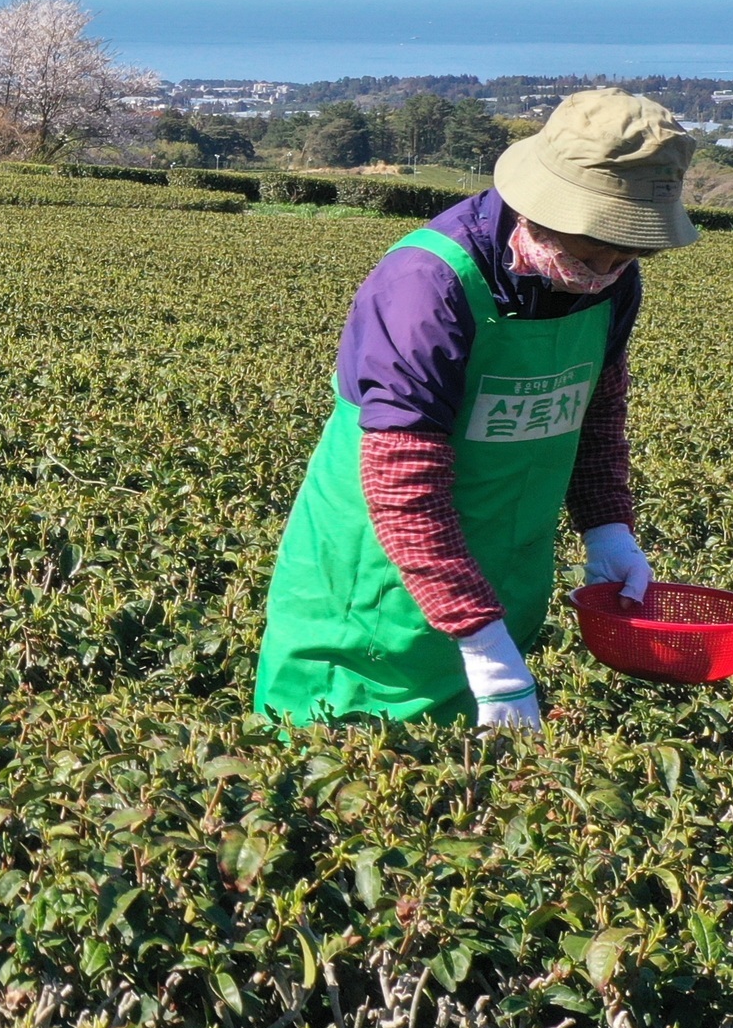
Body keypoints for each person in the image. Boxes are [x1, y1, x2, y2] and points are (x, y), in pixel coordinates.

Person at [254, 87, 697, 730]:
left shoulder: (611, 280)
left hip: (500, 576)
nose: (603, 269)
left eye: (625, 250)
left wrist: (608, 529)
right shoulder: (426, 286)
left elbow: (594, 410)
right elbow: (404, 485)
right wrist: (483, 645)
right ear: (539, 205)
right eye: (592, 245)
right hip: (375, 592)